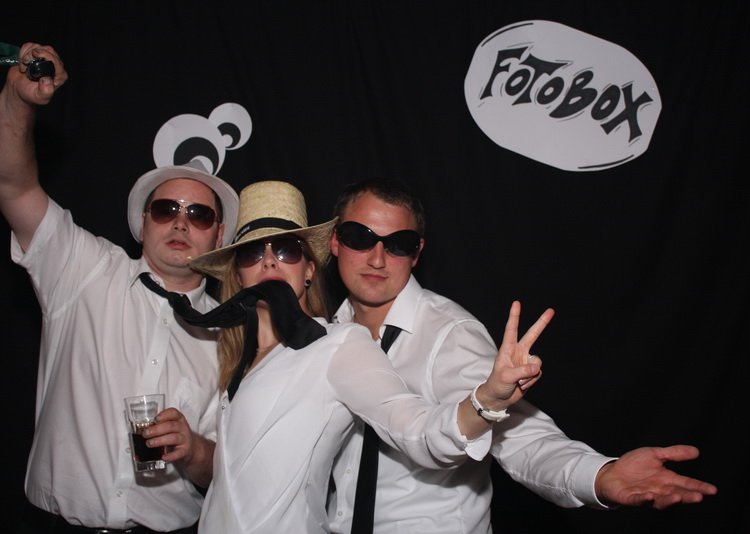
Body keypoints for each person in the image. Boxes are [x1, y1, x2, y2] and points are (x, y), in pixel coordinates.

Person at [326, 178, 719, 533]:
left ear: (417, 253)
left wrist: (599, 476)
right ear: (335, 242)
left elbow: (520, 437)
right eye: (360, 237)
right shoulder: (329, 334)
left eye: (398, 244)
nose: (377, 258)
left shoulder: (449, 334)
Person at [180, 180, 550, 533]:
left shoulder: (337, 344)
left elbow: (412, 425)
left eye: (285, 250)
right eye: (252, 253)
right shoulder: (235, 357)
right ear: (238, 274)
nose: (269, 263)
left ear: (309, 268)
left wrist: (484, 403)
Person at [1, 43, 239, 533]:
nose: (180, 223)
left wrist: (193, 449)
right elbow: (14, 187)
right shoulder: (84, 268)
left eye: (198, 215)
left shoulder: (228, 338)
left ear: (218, 235)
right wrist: (18, 102)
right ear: (143, 223)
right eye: (166, 209)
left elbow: (228, 470)